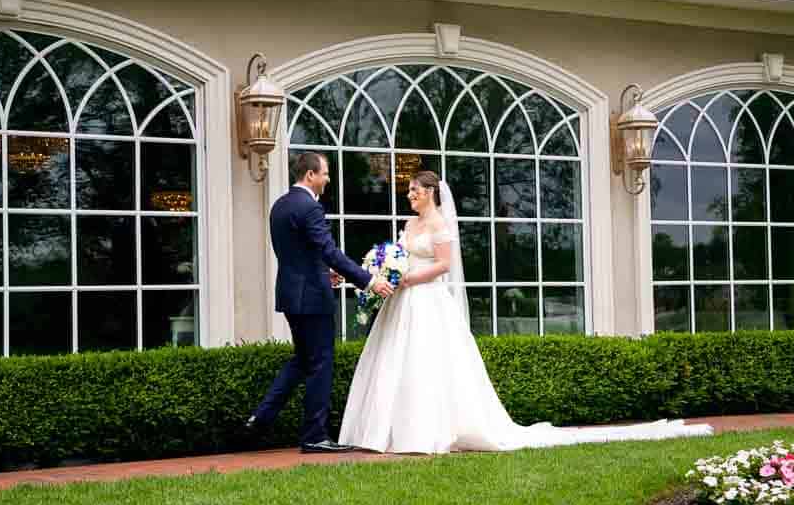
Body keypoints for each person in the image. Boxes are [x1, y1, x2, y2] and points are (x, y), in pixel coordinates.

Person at [339, 171, 713, 454]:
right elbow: (401, 254)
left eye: (415, 191)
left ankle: (424, 431)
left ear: (431, 193)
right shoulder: (408, 224)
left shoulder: (439, 223)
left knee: (428, 364)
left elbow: (443, 266)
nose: (410, 196)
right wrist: (389, 269)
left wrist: (410, 278)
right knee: (395, 362)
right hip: (403, 303)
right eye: (409, 192)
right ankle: (385, 431)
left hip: (427, 300)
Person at [246, 152, 394, 454]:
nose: (327, 179)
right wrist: (368, 280)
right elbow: (328, 250)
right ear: (311, 175)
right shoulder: (309, 207)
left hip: (291, 294)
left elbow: (299, 254)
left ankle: (261, 418)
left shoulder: (281, 205)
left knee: (303, 359)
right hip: (312, 299)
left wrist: (325, 274)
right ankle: (314, 435)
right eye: (325, 173)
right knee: (321, 363)